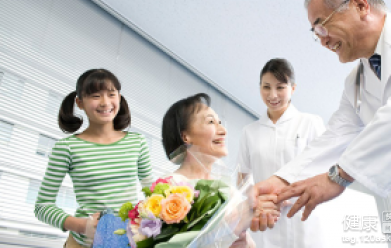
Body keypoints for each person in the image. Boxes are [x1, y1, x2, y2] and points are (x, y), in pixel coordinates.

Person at [253, 0, 391, 247]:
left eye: (321, 26)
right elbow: (334, 138)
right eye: (316, 34)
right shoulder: (356, 84)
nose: (322, 41)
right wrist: (281, 182)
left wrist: (339, 176)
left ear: (360, 5)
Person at [34, 69, 153, 247]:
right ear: (79, 103)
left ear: (119, 98)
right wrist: (82, 226)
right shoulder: (66, 147)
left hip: (125, 242)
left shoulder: (137, 142)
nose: (105, 103)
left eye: (111, 94)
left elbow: (153, 193)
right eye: (95, 96)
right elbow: (42, 206)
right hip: (83, 243)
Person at [161, 93, 279, 248]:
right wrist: (235, 226)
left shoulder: (230, 191)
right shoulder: (168, 187)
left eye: (220, 122)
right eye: (211, 122)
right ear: (185, 136)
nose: (223, 130)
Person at [237, 58, 329, 248]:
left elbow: (325, 169)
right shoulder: (250, 131)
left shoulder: (310, 122)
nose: (273, 95)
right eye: (266, 87)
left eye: (280, 87)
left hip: (304, 217)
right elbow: (242, 179)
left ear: (293, 88)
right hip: (266, 219)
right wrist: (255, 204)